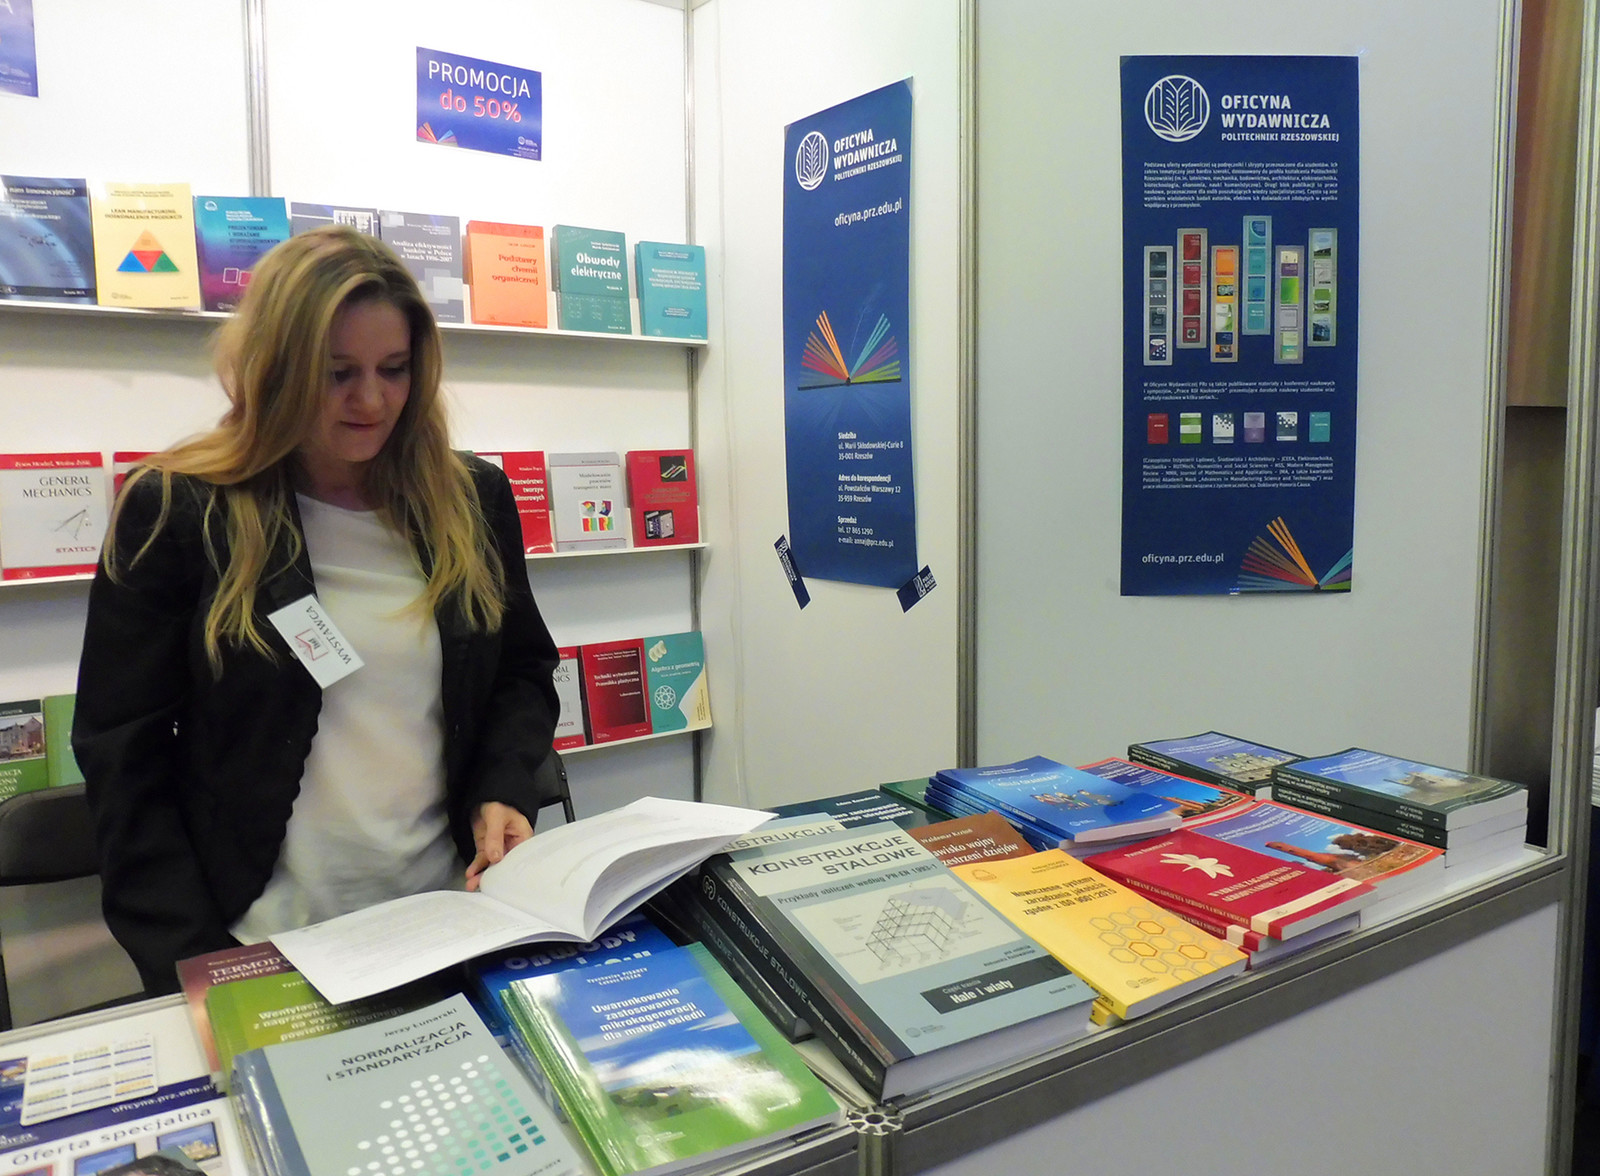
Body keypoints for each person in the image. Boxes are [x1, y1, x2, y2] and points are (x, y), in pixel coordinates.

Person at [72, 226, 562, 994]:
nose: (371, 400)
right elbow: (122, 755)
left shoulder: (471, 499)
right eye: (337, 374)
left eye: (394, 369)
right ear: (275, 368)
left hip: (446, 917)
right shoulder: (180, 510)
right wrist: (192, 961)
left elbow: (520, 672)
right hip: (264, 943)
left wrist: (503, 782)